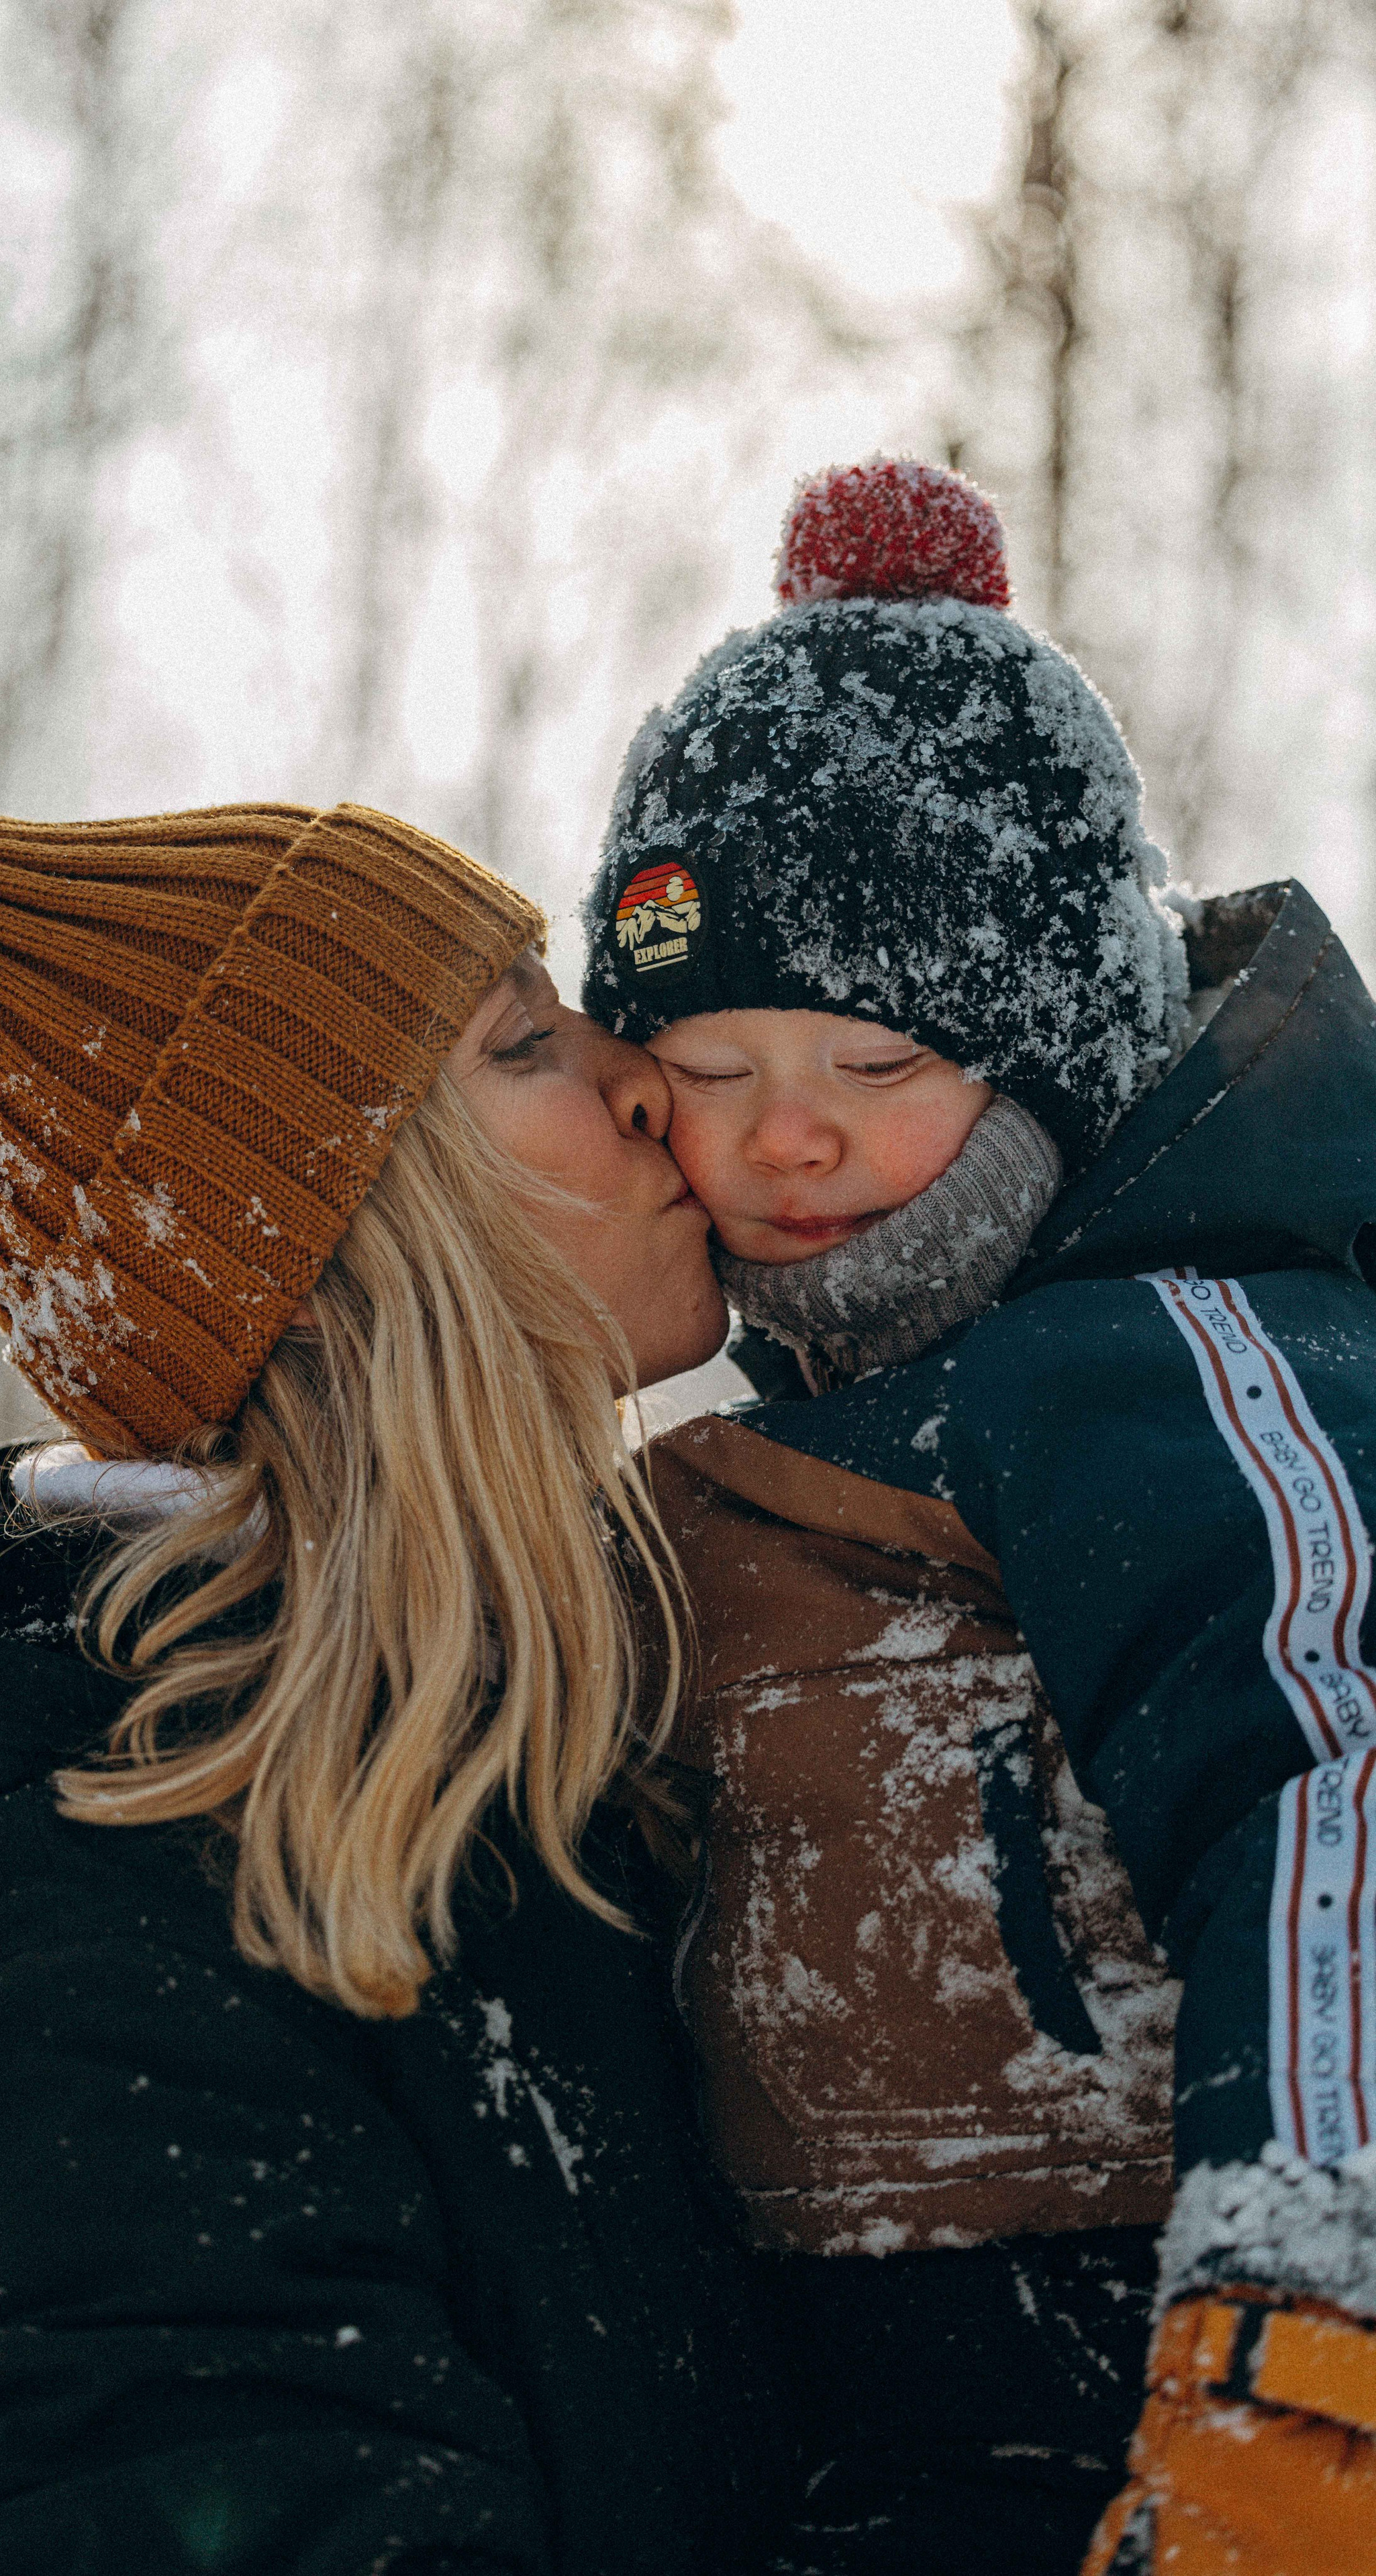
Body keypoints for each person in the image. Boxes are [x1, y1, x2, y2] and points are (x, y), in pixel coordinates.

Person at [0, 795, 759, 2576]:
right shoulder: (67, 1984)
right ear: (334, 1241)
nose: (644, 1081)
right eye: (524, 1041)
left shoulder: (575, 1765)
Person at [581, 460, 1376, 2576]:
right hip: (861, 2427)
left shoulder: (1168, 1363)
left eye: (871, 1061)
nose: (788, 1139)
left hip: (1141, 2374)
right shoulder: (792, 1430)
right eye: (711, 1067)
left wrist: (1306, 2364)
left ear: (1052, 1053)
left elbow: (1332, 1784)